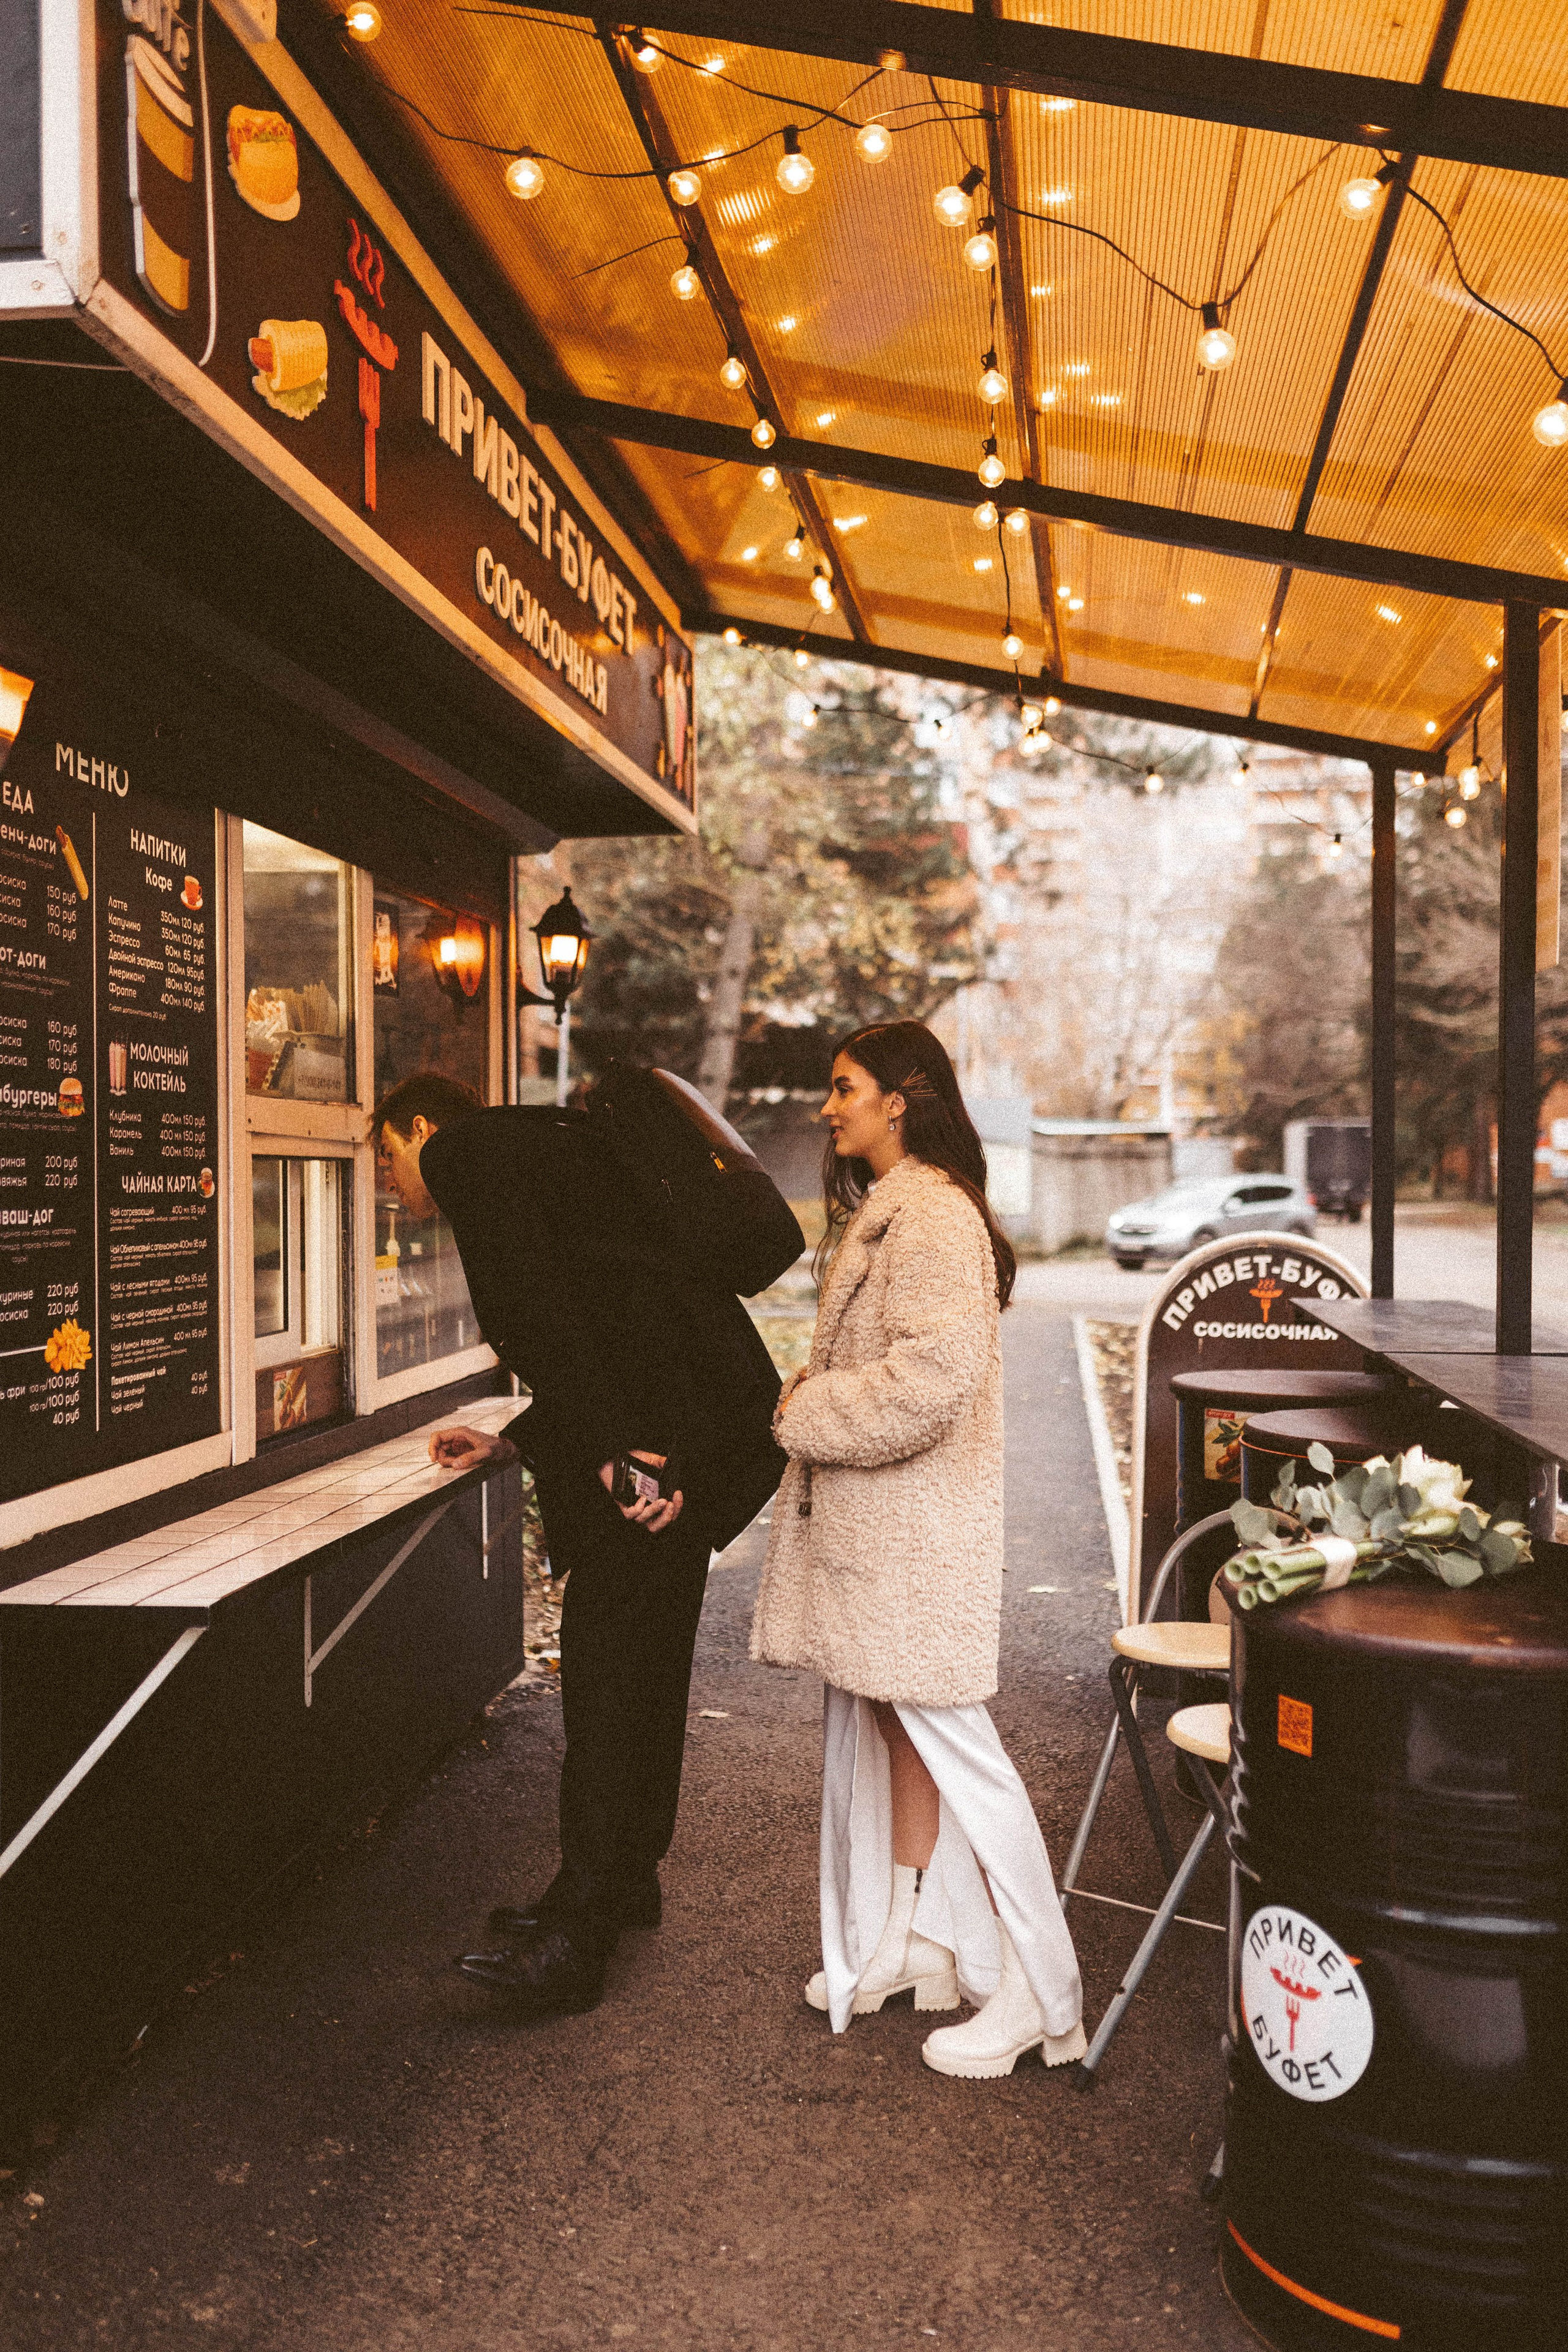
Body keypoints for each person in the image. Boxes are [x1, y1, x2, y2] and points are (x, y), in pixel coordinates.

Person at [373, 1071, 784, 2020]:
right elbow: (601, 1319)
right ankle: (616, 1882)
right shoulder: (552, 1154)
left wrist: (611, 1456)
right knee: (644, 1669)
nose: (394, 1184)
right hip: (700, 1423)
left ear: (421, 1129)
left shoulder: (468, 1153)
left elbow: (536, 1320)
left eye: (385, 1157)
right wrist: (520, 1440)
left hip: (653, 1446)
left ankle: (576, 1947)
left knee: (607, 1677)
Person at [750, 1022, 1086, 2078]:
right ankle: (917, 1944)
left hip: (912, 1540)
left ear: (902, 1099)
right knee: (900, 1734)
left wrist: (805, 1409)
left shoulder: (932, 1218)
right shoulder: (902, 1213)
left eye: (844, 1088)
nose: (826, 1106)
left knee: (962, 1757)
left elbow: (929, 1384)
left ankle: (1044, 1989)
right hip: (887, 1539)